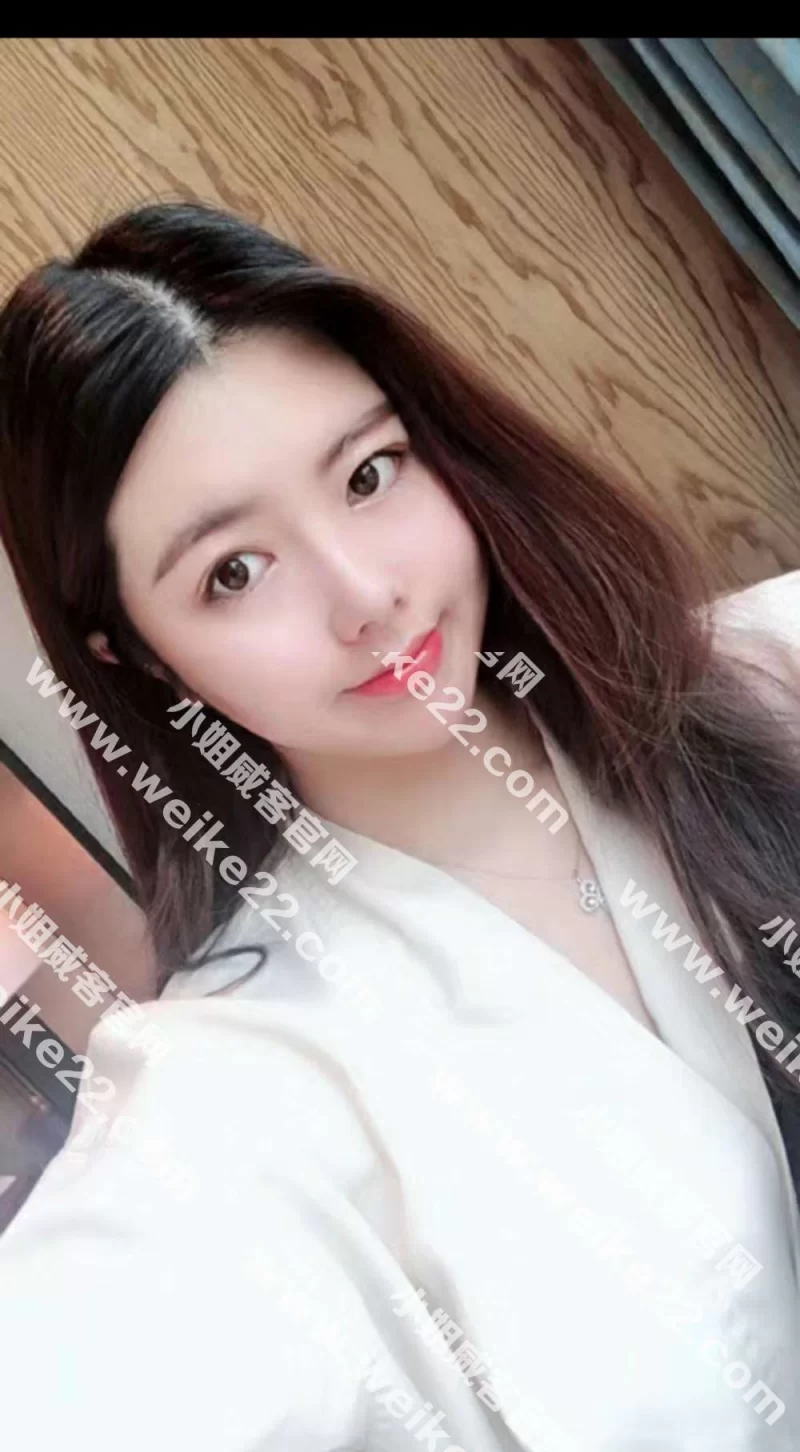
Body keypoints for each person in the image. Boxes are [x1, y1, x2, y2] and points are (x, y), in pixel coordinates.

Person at [0, 199, 798, 1451]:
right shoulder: (242, 1084)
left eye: (369, 475)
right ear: (138, 658)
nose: (365, 595)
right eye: (233, 572)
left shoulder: (766, 676)